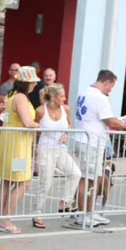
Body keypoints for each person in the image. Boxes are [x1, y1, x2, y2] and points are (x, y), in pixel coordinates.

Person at [73, 70, 126, 227]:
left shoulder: (86, 92)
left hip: (87, 140)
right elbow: (110, 121)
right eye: (111, 86)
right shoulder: (99, 97)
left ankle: (88, 212)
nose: (111, 90)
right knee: (89, 179)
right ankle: (83, 214)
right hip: (91, 141)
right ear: (107, 82)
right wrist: (125, 124)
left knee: (93, 178)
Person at [0, 65, 41, 233]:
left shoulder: (12, 95)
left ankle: (2, 218)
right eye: (33, 81)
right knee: (23, 182)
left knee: (7, 181)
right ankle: (5, 219)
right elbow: (27, 122)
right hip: (18, 147)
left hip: (12, 143)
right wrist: (39, 125)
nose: (35, 84)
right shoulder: (21, 97)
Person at [32, 83, 80, 228]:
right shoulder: (40, 111)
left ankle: (65, 201)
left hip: (61, 149)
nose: (64, 99)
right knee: (45, 183)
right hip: (45, 149)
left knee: (75, 173)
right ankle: (37, 214)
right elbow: (33, 127)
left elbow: (69, 125)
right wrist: (34, 147)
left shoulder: (66, 109)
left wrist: (66, 134)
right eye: (62, 96)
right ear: (53, 97)